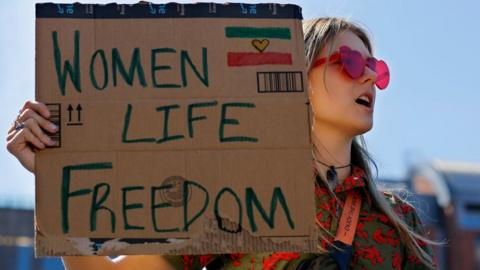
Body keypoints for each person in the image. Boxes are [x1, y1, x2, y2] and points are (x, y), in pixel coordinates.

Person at [6, 17, 437, 269]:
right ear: (297, 78)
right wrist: (55, 179)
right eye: (351, 62)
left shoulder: (399, 220)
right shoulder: (233, 194)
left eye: (375, 68)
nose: (368, 77)